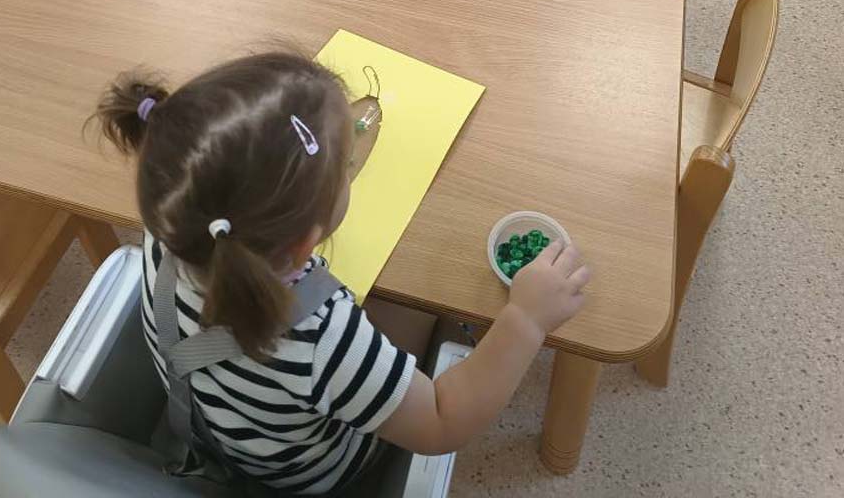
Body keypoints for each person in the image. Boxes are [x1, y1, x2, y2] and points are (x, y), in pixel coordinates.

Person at [92, 50, 589, 495]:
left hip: (214, 428)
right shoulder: (321, 338)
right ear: (306, 241)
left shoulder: (176, 226)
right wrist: (526, 319)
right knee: (425, 305)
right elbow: (442, 420)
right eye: (346, 166)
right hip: (318, 472)